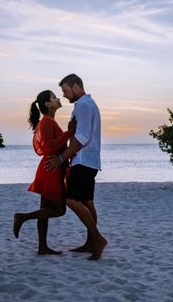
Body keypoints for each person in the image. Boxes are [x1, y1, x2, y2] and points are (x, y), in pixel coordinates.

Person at [45, 74, 107, 261]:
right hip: (90, 160)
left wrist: (62, 158)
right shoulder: (87, 104)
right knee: (87, 202)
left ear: (75, 86)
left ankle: (97, 239)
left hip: (83, 160)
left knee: (71, 200)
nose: (64, 95)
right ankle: (90, 242)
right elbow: (79, 133)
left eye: (65, 90)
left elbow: (82, 137)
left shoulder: (83, 105)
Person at [13, 90, 76, 255]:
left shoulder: (49, 121)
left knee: (45, 209)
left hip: (50, 168)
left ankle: (42, 247)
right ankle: (22, 217)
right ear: (48, 104)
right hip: (51, 169)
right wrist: (70, 132)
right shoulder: (48, 121)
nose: (58, 99)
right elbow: (49, 145)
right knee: (59, 210)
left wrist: (67, 134)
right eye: (54, 97)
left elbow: (54, 143)